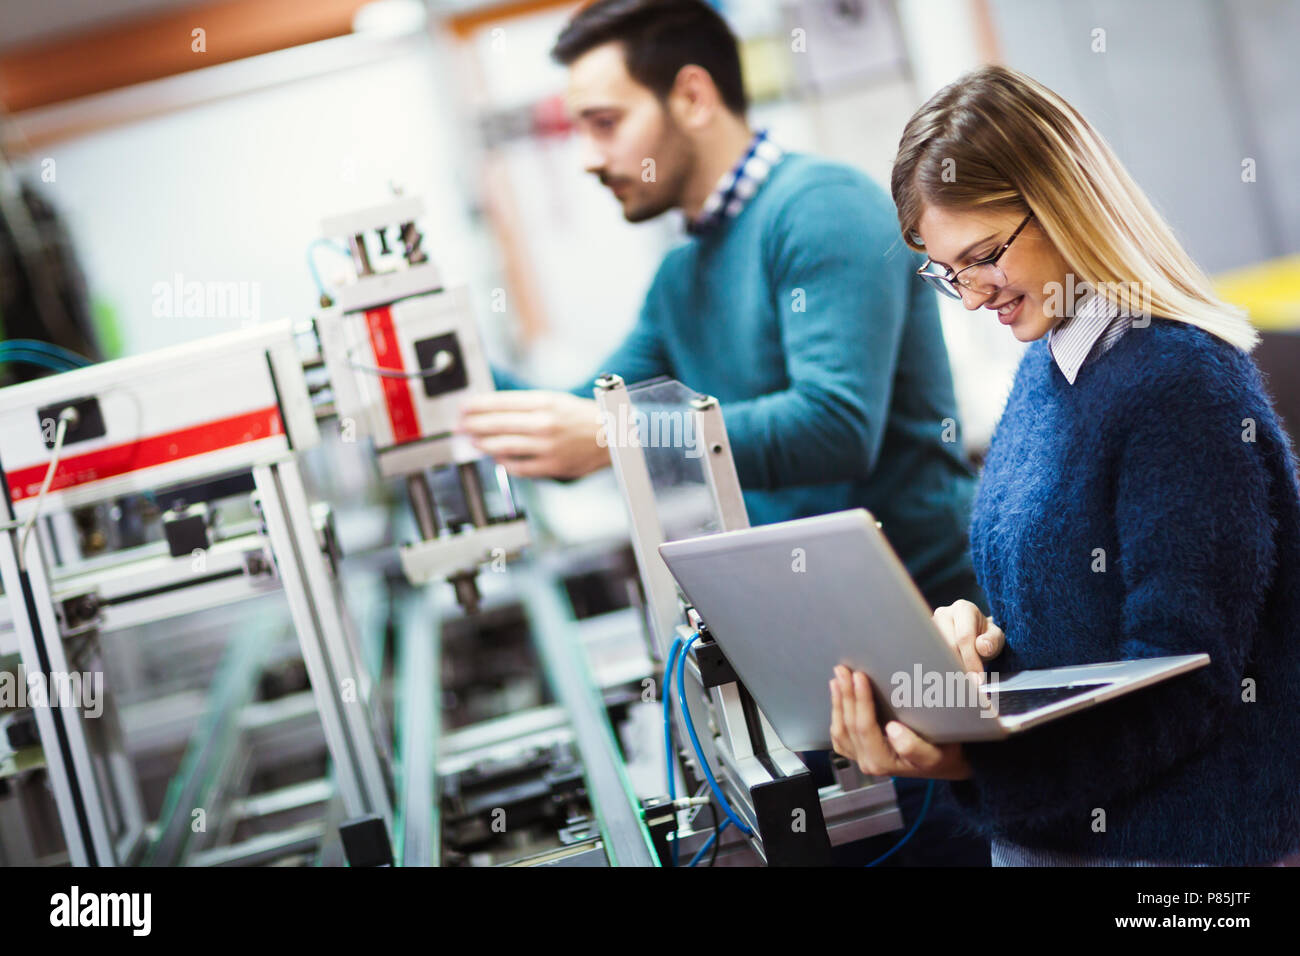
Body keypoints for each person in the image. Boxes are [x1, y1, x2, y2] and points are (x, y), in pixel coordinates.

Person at [458, 0, 988, 865]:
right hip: (809, 664)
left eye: (605, 122)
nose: (588, 156)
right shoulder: (684, 271)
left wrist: (612, 436)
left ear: (694, 96)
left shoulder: (820, 208)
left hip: (926, 648)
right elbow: (579, 414)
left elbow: (833, 425)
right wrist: (444, 368)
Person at [829, 64, 1300, 867]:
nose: (972, 297)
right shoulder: (1050, 367)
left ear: (1061, 201)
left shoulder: (1178, 384)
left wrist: (976, 763)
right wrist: (982, 644)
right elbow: (1077, 625)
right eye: (948, 274)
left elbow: (1182, 686)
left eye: (984, 257)